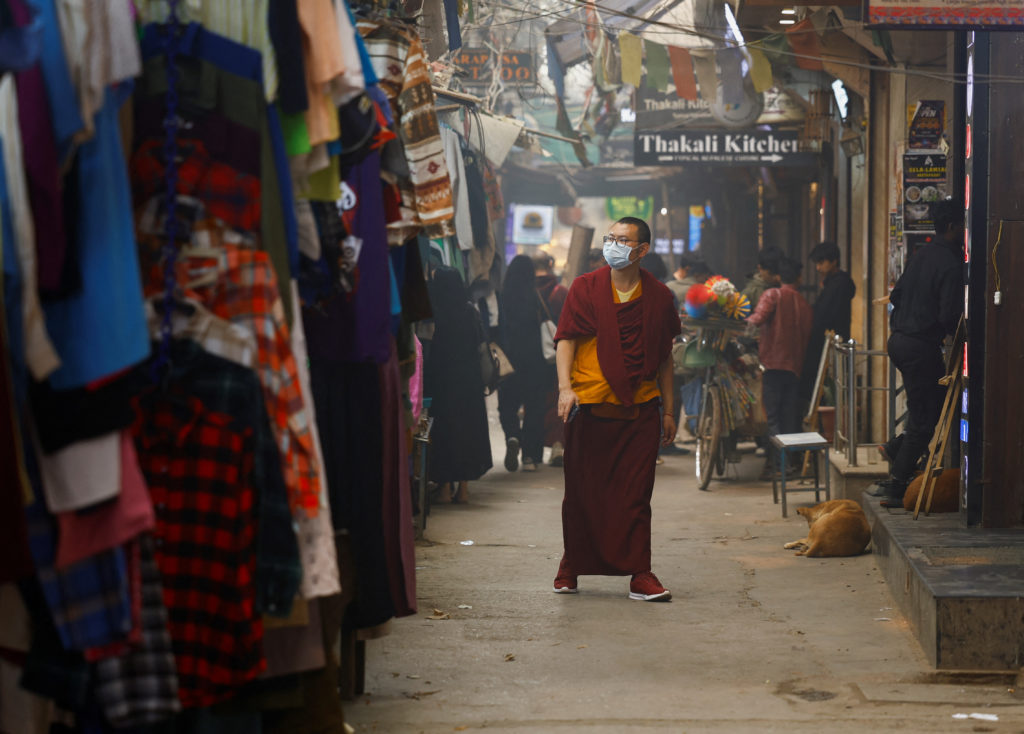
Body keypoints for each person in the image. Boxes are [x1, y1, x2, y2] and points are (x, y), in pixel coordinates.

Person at [552, 216, 681, 602]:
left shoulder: (658, 296)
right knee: (582, 493)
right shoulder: (585, 287)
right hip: (589, 406)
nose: (613, 245)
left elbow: (664, 359)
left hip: (640, 410)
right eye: (610, 238)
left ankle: (640, 573)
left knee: (636, 496)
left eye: (622, 240)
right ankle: (571, 564)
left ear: (642, 250)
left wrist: (670, 411)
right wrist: (564, 388)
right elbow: (566, 341)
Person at [871, 200, 963, 507]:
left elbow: (896, 294)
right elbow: (950, 315)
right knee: (925, 418)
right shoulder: (950, 264)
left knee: (931, 405)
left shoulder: (921, 255)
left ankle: (897, 448)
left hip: (898, 340)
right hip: (920, 345)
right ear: (952, 227)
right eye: (963, 226)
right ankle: (897, 484)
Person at [424, 267, 493, 503]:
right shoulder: (470, 312)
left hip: (442, 382)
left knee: (444, 433)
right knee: (467, 433)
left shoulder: (435, 313)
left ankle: (444, 489)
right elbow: (481, 344)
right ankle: (463, 490)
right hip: (469, 383)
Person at [746, 257, 813, 479]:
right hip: (794, 368)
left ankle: (778, 466)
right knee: (788, 417)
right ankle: (789, 464)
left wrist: (741, 321)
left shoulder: (772, 295)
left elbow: (757, 318)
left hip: (772, 365)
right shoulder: (804, 303)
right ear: (799, 278)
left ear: (777, 277)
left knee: (773, 418)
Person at [497, 255, 549, 473]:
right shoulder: (535, 297)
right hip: (535, 362)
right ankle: (529, 457)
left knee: (507, 405)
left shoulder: (501, 297)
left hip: (508, 360)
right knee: (534, 409)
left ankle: (512, 436)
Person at [800, 241, 856, 404]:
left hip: (831, 340)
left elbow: (826, 314)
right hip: (829, 338)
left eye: (821, 263)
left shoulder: (839, 283)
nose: (818, 268)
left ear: (834, 261)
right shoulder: (835, 282)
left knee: (828, 385)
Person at [533, 254, 569, 467]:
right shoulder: (560, 292)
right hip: (557, 353)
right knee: (557, 398)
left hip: (531, 356)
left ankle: (531, 449)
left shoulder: (524, 290)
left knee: (536, 401)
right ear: (551, 264)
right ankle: (557, 444)